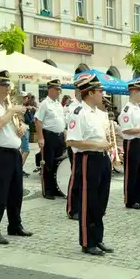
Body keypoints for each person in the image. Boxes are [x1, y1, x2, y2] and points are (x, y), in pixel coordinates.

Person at [0, 70, 33, 245]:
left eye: (7, 85)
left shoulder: (5, 105)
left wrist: (22, 127)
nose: (6, 89)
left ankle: (15, 225)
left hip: (14, 151)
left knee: (16, 192)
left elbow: (14, 125)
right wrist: (12, 110)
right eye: (2, 85)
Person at [66, 74, 114, 256]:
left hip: (102, 158)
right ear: (91, 92)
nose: (103, 94)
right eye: (100, 91)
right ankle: (87, 241)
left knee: (101, 201)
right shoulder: (78, 113)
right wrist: (98, 145)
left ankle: (98, 237)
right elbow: (72, 141)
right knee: (89, 201)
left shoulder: (99, 113)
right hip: (87, 159)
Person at [119, 79, 140, 210]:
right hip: (132, 142)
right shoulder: (127, 109)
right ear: (134, 92)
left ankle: (138, 198)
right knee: (131, 172)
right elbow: (125, 129)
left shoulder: (138, 108)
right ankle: (130, 200)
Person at [35, 79, 66, 200]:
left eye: (59, 90)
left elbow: (61, 121)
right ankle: (47, 190)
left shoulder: (58, 104)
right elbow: (38, 121)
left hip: (59, 136)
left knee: (58, 164)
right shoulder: (45, 104)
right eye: (56, 89)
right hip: (49, 136)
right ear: (50, 89)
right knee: (48, 164)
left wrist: (64, 134)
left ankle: (55, 188)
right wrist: (41, 137)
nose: (59, 92)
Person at [65, 89, 83, 220]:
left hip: (88, 147)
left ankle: (83, 205)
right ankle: (72, 208)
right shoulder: (73, 106)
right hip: (77, 147)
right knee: (76, 177)